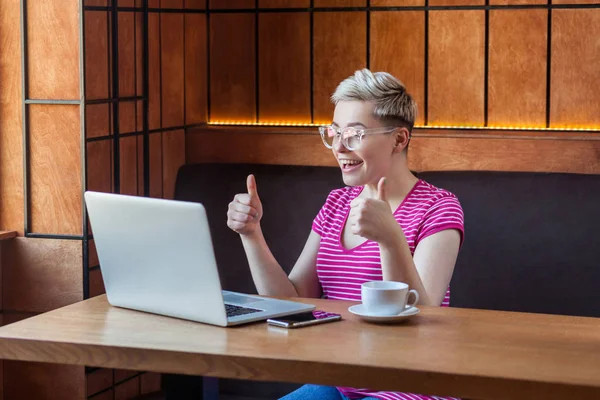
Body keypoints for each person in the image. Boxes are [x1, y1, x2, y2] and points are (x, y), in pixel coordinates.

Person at [227, 69, 465, 400]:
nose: (339, 147)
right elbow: (291, 300)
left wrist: (390, 238)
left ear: (399, 139)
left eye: (354, 134)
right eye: (334, 133)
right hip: (339, 381)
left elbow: (422, 316)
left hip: (412, 387)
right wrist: (252, 234)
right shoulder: (337, 203)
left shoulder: (439, 207)